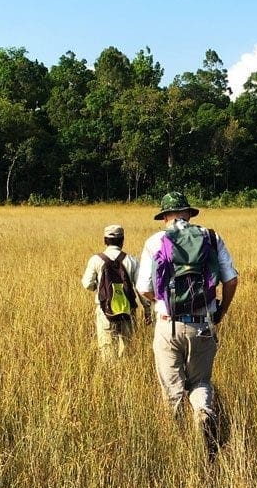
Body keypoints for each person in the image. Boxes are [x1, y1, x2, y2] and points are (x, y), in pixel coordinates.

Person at [136, 192, 238, 456]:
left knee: (172, 388)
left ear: (165, 217)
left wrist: (163, 303)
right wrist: (220, 312)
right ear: (189, 214)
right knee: (200, 381)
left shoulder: (156, 241)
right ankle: (203, 414)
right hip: (202, 323)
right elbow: (231, 280)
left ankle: (178, 445)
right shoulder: (211, 237)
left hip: (168, 325)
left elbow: (143, 287)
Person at [81, 224, 148, 360]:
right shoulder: (131, 260)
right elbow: (142, 288)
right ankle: (125, 376)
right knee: (128, 351)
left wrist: (98, 286)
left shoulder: (96, 260)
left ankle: (111, 376)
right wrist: (147, 310)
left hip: (105, 311)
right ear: (122, 240)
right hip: (128, 311)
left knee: (107, 351)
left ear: (105, 241)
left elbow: (87, 284)